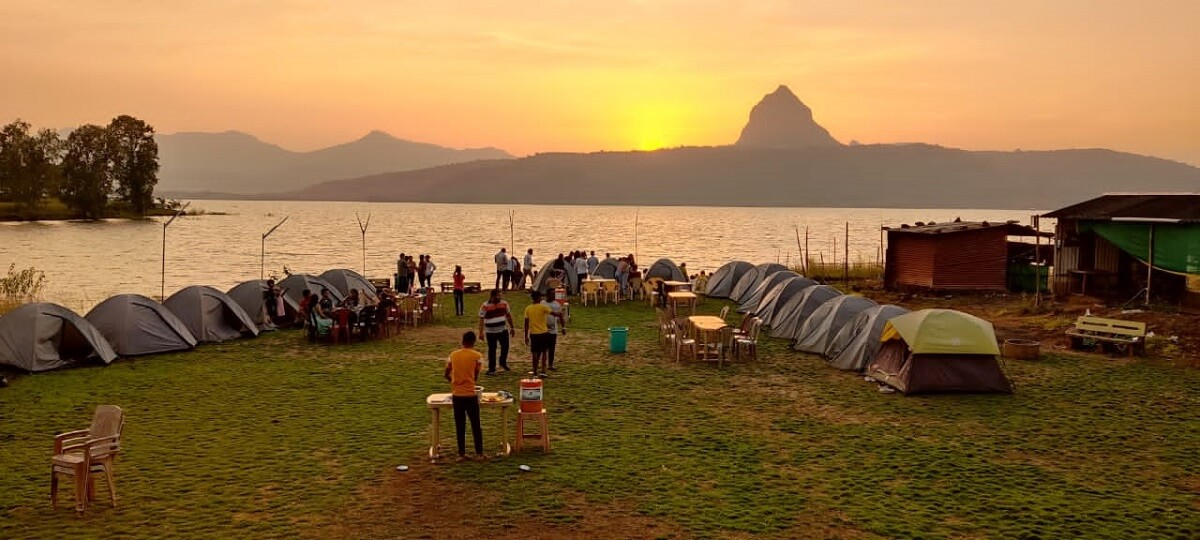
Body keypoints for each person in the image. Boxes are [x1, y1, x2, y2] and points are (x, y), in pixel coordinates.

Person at [443, 331, 484, 460]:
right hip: (470, 394)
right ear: (473, 342)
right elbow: (476, 376)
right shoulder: (477, 356)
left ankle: (461, 453)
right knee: (476, 425)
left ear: (462, 341)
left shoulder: (453, 355)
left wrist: (454, 383)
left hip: (457, 395)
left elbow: (446, 374)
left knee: (460, 425)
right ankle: (479, 453)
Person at [478, 289, 515, 375]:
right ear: (492, 296)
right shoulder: (485, 306)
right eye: (498, 295)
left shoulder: (504, 304)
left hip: (502, 330)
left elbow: (509, 316)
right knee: (492, 350)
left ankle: (502, 362)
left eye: (500, 295)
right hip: (490, 332)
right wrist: (481, 332)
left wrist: (512, 328)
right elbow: (481, 319)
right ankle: (492, 369)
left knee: (505, 347)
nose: (500, 297)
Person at [523, 290, 553, 377]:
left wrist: (526, 336)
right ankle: (543, 370)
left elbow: (526, 324)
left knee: (534, 353)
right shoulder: (542, 307)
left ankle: (535, 371)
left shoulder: (528, 308)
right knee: (544, 352)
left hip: (534, 334)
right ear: (539, 298)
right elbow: (553, 313)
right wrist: (560, 315)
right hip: (543, 333)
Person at [541, 288, 566, 371]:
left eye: (554, 294)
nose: (554, 295)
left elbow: (561, 316)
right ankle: (542, 365)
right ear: (547, 295)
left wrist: (563, 327)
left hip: (553, 330)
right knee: (543, 348)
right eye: (552, 294)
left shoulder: (557, 305)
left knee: (552, 348)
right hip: (542, 330)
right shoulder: (542, 303)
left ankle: (550, 365)